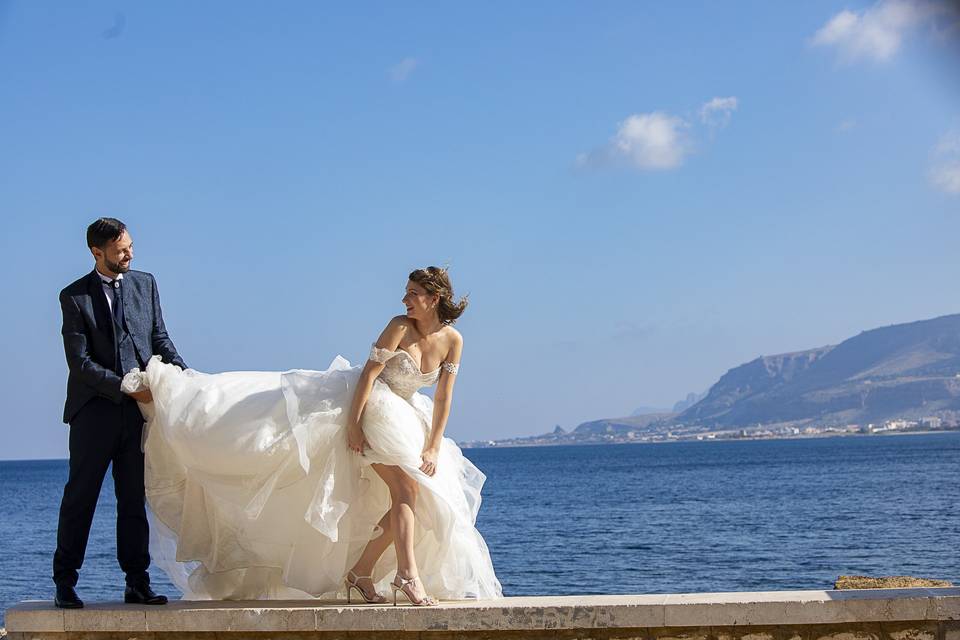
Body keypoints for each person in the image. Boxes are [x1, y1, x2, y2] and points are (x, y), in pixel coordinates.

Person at [127, 266, 502, 604]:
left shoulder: (453, 340)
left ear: (433, 298)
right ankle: (407, 576)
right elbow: (369, 376)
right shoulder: (398, 326)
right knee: (408, 491)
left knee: (421, 499)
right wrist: (354, 424)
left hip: (407, 414)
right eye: (405, 293)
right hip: (374, 405)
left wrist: (435, 446)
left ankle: (361, 571)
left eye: (412, 294)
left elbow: (443, 396)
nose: (404, 300)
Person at [54, 217, 185, 609]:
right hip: (93, 413)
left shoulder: (146, 284)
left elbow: (159, 338)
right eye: (120, 249)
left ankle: (136, 582)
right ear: (98, 252)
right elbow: (80, 363)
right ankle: (64, 582)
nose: (129, 253)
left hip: (138, 414)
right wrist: (124, 385)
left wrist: (186, 376)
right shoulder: (73, 297)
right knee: (81, 497)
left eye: (130, 245)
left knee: (132, 498)